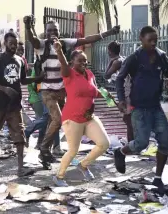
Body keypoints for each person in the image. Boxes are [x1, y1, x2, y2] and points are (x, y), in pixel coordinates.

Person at [23, 15, 120, 169]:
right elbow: (32, 39)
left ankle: (48, 152)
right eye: (49, 30)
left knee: (58, 121)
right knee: (57, 119)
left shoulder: (65, 43)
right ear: (46, 32)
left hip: (62, 90)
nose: (52, 33)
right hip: (48, 90)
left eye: (55, 30)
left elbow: (87, 39)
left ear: (59, 32)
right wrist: (28, 26)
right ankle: (44, 148)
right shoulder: (41, 45)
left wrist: (108, 33)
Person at [0, 32, 44, 177]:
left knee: (19, 134)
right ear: (5, 43)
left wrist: (37, 78)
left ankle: (20, 168)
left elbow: (22, 80)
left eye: (15, 43)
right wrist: (4, 88)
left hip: (14, 105)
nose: (13, 46)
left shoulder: (20, 61)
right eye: (11, 43)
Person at [114, 26, 168, 191]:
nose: (153, 43)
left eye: (155, 40)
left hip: (156, 107)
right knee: (141, 143)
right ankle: (120, 152)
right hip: (139, 108)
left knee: (165, 143)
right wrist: (121, 100)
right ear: (141, 39)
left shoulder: (161, 56)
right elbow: (119, 79)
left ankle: (158, 178)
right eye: (150, 40)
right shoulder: (134, 58)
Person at [51, 45, 110, 186]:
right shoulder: (69, 74)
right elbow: (64, 64)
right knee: (73, 150)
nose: (83, 64)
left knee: (104, 144)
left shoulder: (89, 74)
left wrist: (109, 100)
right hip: (72, 118)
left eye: (85, 61)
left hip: (88, 117)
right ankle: (59, 176)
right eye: (80, 61)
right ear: (72, 62)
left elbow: (95, 92)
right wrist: (59, 51)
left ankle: (83, 165)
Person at [103, 41, 132, 142]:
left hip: (126, 91)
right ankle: (131, 141)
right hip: (125, 89)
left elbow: (106, 75)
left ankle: (131, 142)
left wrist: (110, 61)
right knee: (127, 117)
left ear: (110, 51)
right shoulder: (122, 58)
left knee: (128, 118)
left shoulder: (116, 62)